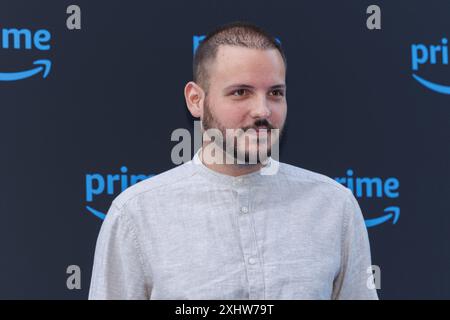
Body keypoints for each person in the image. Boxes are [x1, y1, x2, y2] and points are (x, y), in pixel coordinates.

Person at [88, 21, 378, 300]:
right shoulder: (137, 216)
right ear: (195, 100)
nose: (262, 110)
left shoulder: (334, 207)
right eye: (241, 92)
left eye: (275, 93)